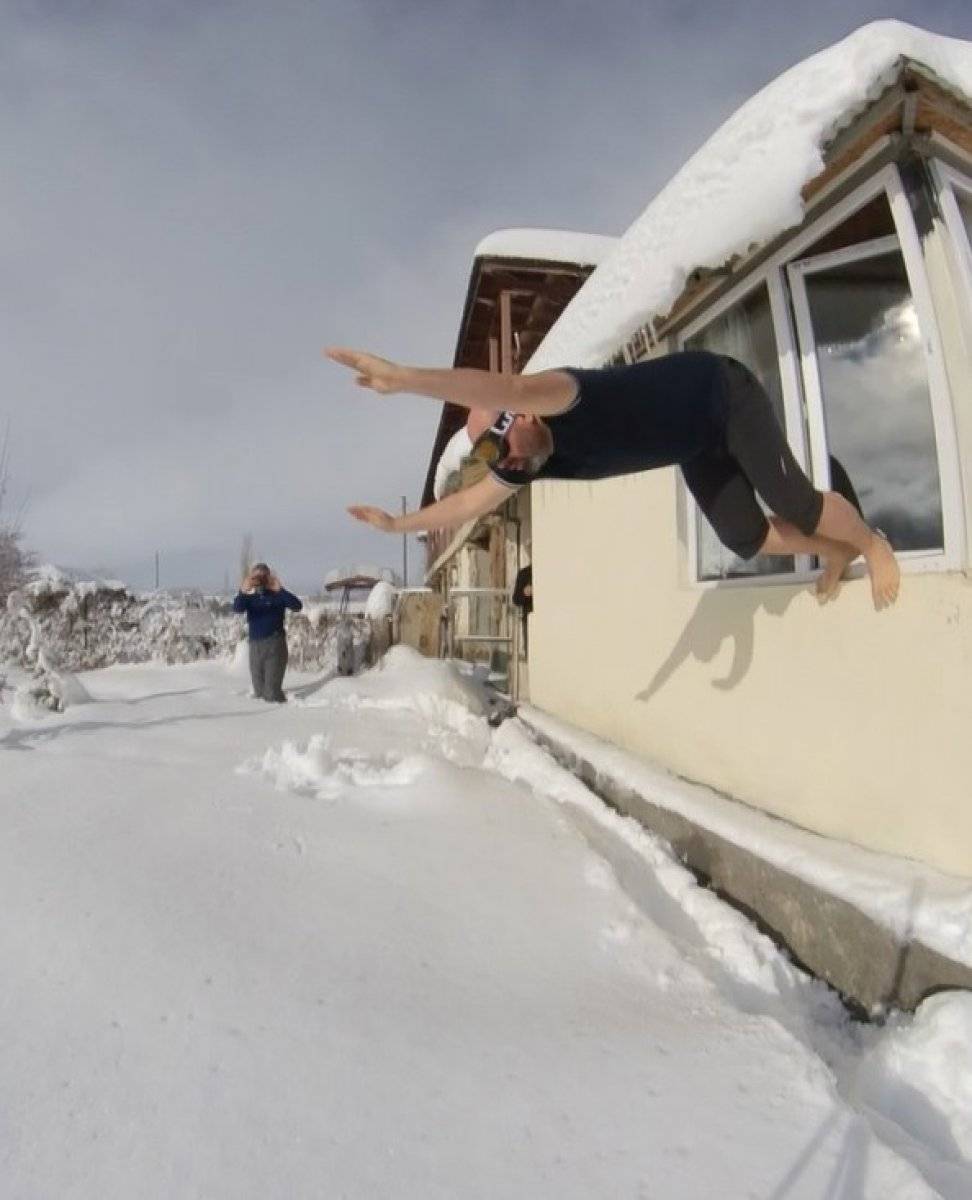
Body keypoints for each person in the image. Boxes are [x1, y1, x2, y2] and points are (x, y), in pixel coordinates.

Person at [327, 347, 900, 610]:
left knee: (794, 501)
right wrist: (399, 525)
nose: (504, 461)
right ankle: (834, 550)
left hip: (722, 394)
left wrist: (407, 379)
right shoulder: (526, 466)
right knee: (744, 537)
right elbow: (464, 507)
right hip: (696, 444)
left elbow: (508, 386)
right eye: (492, 455)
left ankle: (871, 543)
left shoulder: (558, 394)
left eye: (500, 442)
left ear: (522, 415)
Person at [233, 563, 303, 702]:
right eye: (256, 577)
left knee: (271, 694)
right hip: (255, 647)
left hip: (274, 645)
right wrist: (243, 590)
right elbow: (237, 608)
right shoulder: (250, 599)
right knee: (259, 691)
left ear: (269, 577)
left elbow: (297, 606)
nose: (260, 580)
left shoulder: (278, 596)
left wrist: (280, 589)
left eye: (263, 576)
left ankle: (281, 711)